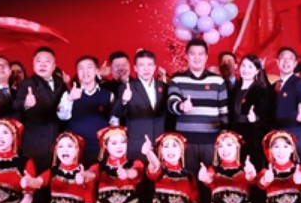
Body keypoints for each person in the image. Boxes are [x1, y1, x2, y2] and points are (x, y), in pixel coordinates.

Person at [166, 39, 229, 177]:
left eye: (201, 54)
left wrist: (222, 139)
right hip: (184, 143)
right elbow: (171, 102)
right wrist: (181, 106)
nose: (197, 57)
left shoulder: (218, 81)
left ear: (206, 57)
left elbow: (224, 113)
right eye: (193, 54)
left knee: (210, 180)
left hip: (211, 142)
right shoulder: (177, 80)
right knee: (187, 181)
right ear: (187, 56)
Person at [13, 47, 67, 193]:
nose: (42, 64)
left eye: (47, 61)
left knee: (55, 178)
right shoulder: (27, 83)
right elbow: (15, 105)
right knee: (34, 181)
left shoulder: (60, 82)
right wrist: (26, 103)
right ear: (33, 64)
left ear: (54, 66)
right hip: (35, 140)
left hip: (56, 139)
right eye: (39, 61)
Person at [58, 55, 115, 167]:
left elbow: (114, 124)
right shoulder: (69, 93)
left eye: (89, 67)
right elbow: (62, 116)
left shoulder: (109, 95)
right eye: (81, 68)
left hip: (101, 150)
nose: (85, 71)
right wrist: (70, 99)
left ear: (96, 71)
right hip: (75, 150)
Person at [111, 49, 167, 152]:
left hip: (160, 144)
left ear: (154, 67)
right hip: (137, 144)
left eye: (149, 65)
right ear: (135, 68)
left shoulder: (163, 87)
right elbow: (117, 113)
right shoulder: (127, 87)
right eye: (142, 65)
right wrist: (124, 101)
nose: (146, 69)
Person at [269, 47, 301, 165]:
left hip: (294, 133)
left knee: (298, 169)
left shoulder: (300, 82)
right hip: (276, 136)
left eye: (290, 58)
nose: (286, 61)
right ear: (277, 62)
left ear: (295, 64)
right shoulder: (274, 86)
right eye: (283, 58)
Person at [229, 54, 270, 170]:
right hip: (234, 136)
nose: (246, 70)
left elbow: (266, 116)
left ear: (257, 71)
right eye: (243, 66)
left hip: (252, 137)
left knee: (251, 169)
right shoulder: (234, 89)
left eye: (250, 67)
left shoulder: (261, 90)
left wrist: (256, 119)